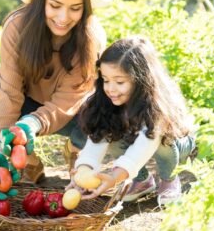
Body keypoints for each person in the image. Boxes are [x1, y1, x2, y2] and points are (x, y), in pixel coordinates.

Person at [0, 0, 112, 200]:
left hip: (72, 113)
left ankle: (78, 150)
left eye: (75, 8)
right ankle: (27, 159)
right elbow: (9, 90)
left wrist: (32, 124)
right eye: (55, 5)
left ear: (85, 8)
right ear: (41, 1)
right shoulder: (17, 27)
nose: (63, 17)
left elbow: (71, 97)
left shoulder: (91, 37)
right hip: (27, 102)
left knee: (102, 102)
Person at [68, 36, 195, 206]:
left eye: (119, 82)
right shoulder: (106, 102)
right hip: (137, 137)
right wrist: (84, 170)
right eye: (105, 80)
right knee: (111, 134)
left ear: (141, 80)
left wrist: (114, 177)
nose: (110, 88)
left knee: (163, 139)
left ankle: (169, 179)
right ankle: (143, 181)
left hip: (177, 143)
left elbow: (144, 145)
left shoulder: (156, 106)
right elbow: (96, 142)